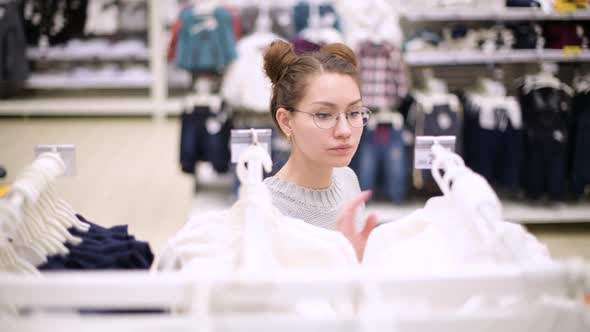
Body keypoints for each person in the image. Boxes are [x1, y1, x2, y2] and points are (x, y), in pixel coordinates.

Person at [262, 40, 377, 261]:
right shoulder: (266, 208)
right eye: (323, 115)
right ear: (286, 121)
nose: (345, 131)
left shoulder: (347, 179)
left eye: (354, 113)